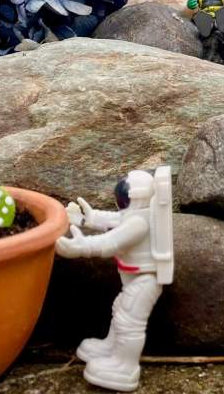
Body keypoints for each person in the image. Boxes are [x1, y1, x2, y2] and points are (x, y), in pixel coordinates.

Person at [57, 168, 174, 392]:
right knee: (120, 309)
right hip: (136, 279)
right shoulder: (136, 216)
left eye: (124, 196)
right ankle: (112, 348)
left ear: (135, 198)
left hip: (145, 280)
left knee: (129, 321)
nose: (121, 200)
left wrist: (83, 247)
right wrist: (87, 218)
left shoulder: (139, 223)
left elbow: (112, 241)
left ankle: (125, 367)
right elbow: (115, 219)